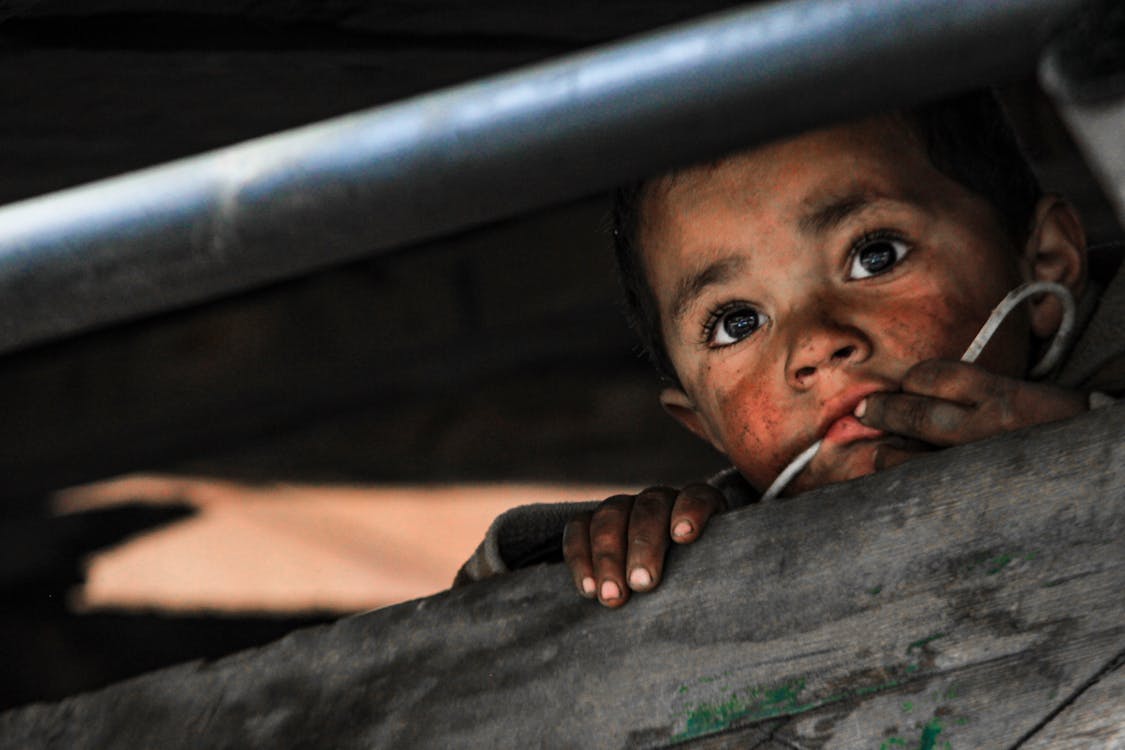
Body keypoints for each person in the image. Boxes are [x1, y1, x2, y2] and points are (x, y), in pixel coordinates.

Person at [454, 91, 1125, 607]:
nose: (813, 343)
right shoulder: (720, 531)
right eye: (737, 323)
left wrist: (1091, 453)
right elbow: (451, 654)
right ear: (702, 426)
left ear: (1043, 263)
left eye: (873, 255)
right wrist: (629, 553)